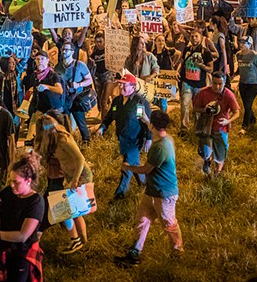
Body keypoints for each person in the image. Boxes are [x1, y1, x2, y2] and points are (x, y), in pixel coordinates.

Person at [114, 110, 182, 266]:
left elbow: (146, 169)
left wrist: (128, 167)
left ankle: (178, 253)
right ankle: (134, 253)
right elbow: (148, 122)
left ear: (152, 125)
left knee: (169, 224)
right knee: (142, 220)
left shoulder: (160, 147)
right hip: (153, 191)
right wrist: (143, 116)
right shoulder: (166, 139)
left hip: (164, 193)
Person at [0, 152, 44, 282]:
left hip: (22, 254)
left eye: (16, 182)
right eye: (11, 181)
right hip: (3, 249)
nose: (12, 185)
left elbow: (23, 236)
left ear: (28, 181)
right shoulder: (8, 192)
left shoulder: (36, 202)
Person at [34, 112, 92, 255]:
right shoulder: (53, 139)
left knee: (69, 209)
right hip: (71, 176)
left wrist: (74, 181)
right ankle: (83, 243)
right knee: (74, 211)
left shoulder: (63, 139)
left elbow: (80, 159)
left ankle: (77, 241)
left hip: (80, 176)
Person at [97, 74, 152, 200]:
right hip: (123, 140)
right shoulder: (117, 101)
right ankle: (144, 184)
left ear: (133, 87)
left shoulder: (139, 103)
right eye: (120, 83)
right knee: (134, 162)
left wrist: (148, 138)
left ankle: (119, 195)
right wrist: (102, 127)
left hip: (135, 140)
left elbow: (145, 121)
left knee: (126, 166)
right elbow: (110, 116)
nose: (120, 86)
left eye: (124, 84)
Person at [193, 71, 241, 176]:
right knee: (205, 152)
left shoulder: (228, 94)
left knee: (220, 153)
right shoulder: (203, 92)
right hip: (206, 128)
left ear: (224, 83)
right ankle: (207, 162)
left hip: (220, 129)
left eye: (220, 84)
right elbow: (195, 108)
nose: (217, 86)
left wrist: (228, 121)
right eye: (214, 83)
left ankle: (217, 173)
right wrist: (204, 110)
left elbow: (237, 112)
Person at [177, 29, 214, 134]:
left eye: (196, 36)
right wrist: (177, 70)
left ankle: (198, 129)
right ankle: (184, 129)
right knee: (184, 104)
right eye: (192, 36)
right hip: (187, 82)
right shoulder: (187, 49)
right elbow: (182, 61)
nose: (194, 38)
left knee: (198, 108)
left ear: (201, 38)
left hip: (199, 85)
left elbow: (211, 69)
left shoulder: (205, 52)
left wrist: (201, 66)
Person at [236, 36, 257, 133]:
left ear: (249, 44)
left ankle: (244, 126)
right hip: (243, 83)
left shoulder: (254, 56)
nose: (241, 44)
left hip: (253, 84)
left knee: (248, 105)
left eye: (244, 43)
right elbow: (240, 68)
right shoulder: (238, 55)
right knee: (246, 105)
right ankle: (253, 120)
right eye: (240, 42)